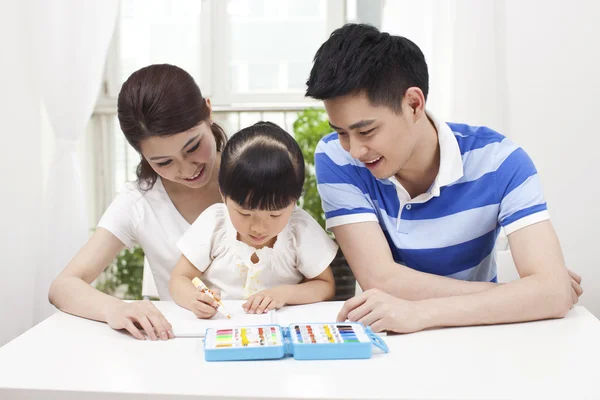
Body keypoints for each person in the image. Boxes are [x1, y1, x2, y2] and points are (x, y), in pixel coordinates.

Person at [305, 24, 583, 333]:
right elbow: (381, 280)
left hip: (484, 336)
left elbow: (552, 294)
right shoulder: (335, 156)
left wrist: (421, 313)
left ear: (414, 104)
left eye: (366, 131)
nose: (355, 150)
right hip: (385, 342)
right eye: (341, 132)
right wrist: (528, 294)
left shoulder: (499, 161)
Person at [49, 64, 227, 340]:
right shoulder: (139, 202)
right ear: (143, 156)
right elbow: (63, 286)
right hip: (181, 345)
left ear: (208, 110)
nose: (187, 168)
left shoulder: (253, 170)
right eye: (163, 162)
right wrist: (116, 309)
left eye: (193, 147)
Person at [169, 121, 338, 318]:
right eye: (245, 213)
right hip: (220, 327)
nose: (259, 227)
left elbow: (326, 286)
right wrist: (193, 299)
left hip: (277, 332)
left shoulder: (299, 228)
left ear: (294, 201)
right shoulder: (214, 223)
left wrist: (284, 294)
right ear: (223, 195)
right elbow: (179, 278)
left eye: (275, 215)